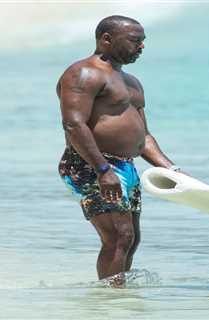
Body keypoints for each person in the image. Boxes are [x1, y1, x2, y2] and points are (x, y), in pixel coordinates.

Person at [57, 15, 182, 285]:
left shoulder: (132, 82)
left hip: (125, 166)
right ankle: (109, 303)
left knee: (131, 238)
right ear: (106, 39)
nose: (142, 47)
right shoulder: (83, 73)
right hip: (91, 165)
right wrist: (102, 169)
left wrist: (172, 170)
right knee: (117, 236)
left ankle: (118, 300)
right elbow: (73, 125)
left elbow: (144, 137)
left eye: (143, 41)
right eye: (135, 41)